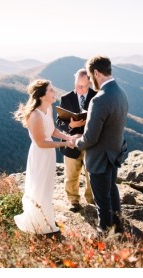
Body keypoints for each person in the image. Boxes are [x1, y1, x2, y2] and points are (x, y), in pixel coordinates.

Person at [68, 55, 129, 236]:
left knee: (102, 200)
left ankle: (104, 233)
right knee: (112, 191)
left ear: (95, 72)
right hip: (114, 153)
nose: (89, 80)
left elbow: (91, 138)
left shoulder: (99, 99)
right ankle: (118, 228)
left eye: (89, 75)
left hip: (100, 158)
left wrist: (76, 141)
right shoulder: (120, 92)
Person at [12, 79, 78, 236]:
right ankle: (37, 223)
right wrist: (64, 144)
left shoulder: (48, 109)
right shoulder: (34, 115)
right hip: (40, 154)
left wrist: (67, 137)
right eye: (50, 90)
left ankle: (46, 218)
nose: (54, 93)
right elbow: (41, 143)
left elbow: (53, 131)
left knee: (47, 187)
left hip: (49, 153)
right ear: (41, 95)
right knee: (39, 187)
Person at [56, 69, 97, 212]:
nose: (81, 89)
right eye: (78, 85)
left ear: (90, 83)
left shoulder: (97, 97)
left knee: (91, 174)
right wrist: (71, 125)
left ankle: (92, 199)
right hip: (71, 143)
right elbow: (59, 122)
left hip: (91, 144)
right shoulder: (65, 98)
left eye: (84, 86)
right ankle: (73, 201)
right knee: (71, 175)